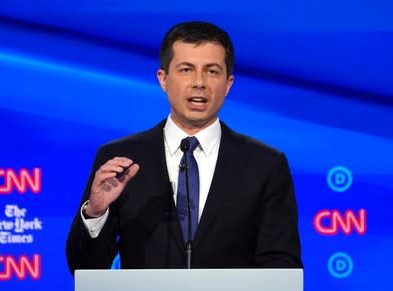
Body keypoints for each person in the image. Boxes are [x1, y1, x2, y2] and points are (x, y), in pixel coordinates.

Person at [66, 21, 302, 274]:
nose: (199, 82)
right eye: (186, 69)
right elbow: (84, 269)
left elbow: (281, 266)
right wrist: (96, 212)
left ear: (228, 83)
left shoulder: (265, 164)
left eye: (212, 71)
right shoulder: (120, 159)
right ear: (164, 79)